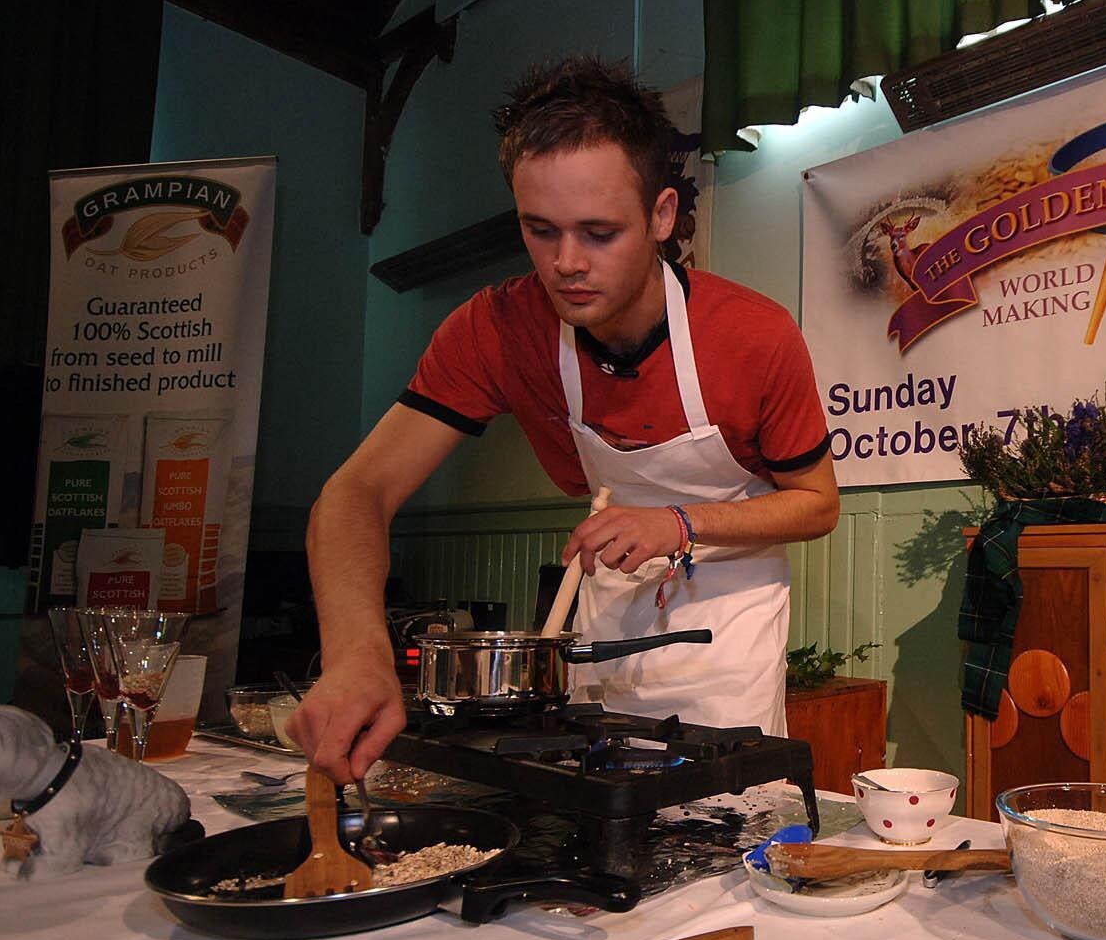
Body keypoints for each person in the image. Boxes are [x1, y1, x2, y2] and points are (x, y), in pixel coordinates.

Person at [292, 56, 839, 784]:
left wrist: (679, 522)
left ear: (662, 216)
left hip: (727, 630)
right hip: (608, 617)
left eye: (599, 232)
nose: (566, 264)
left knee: (718, 822)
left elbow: (818, 505)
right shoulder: (494, 331)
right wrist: (357, 653)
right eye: (540, 230)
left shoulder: (754, 337)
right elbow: (356, 493)